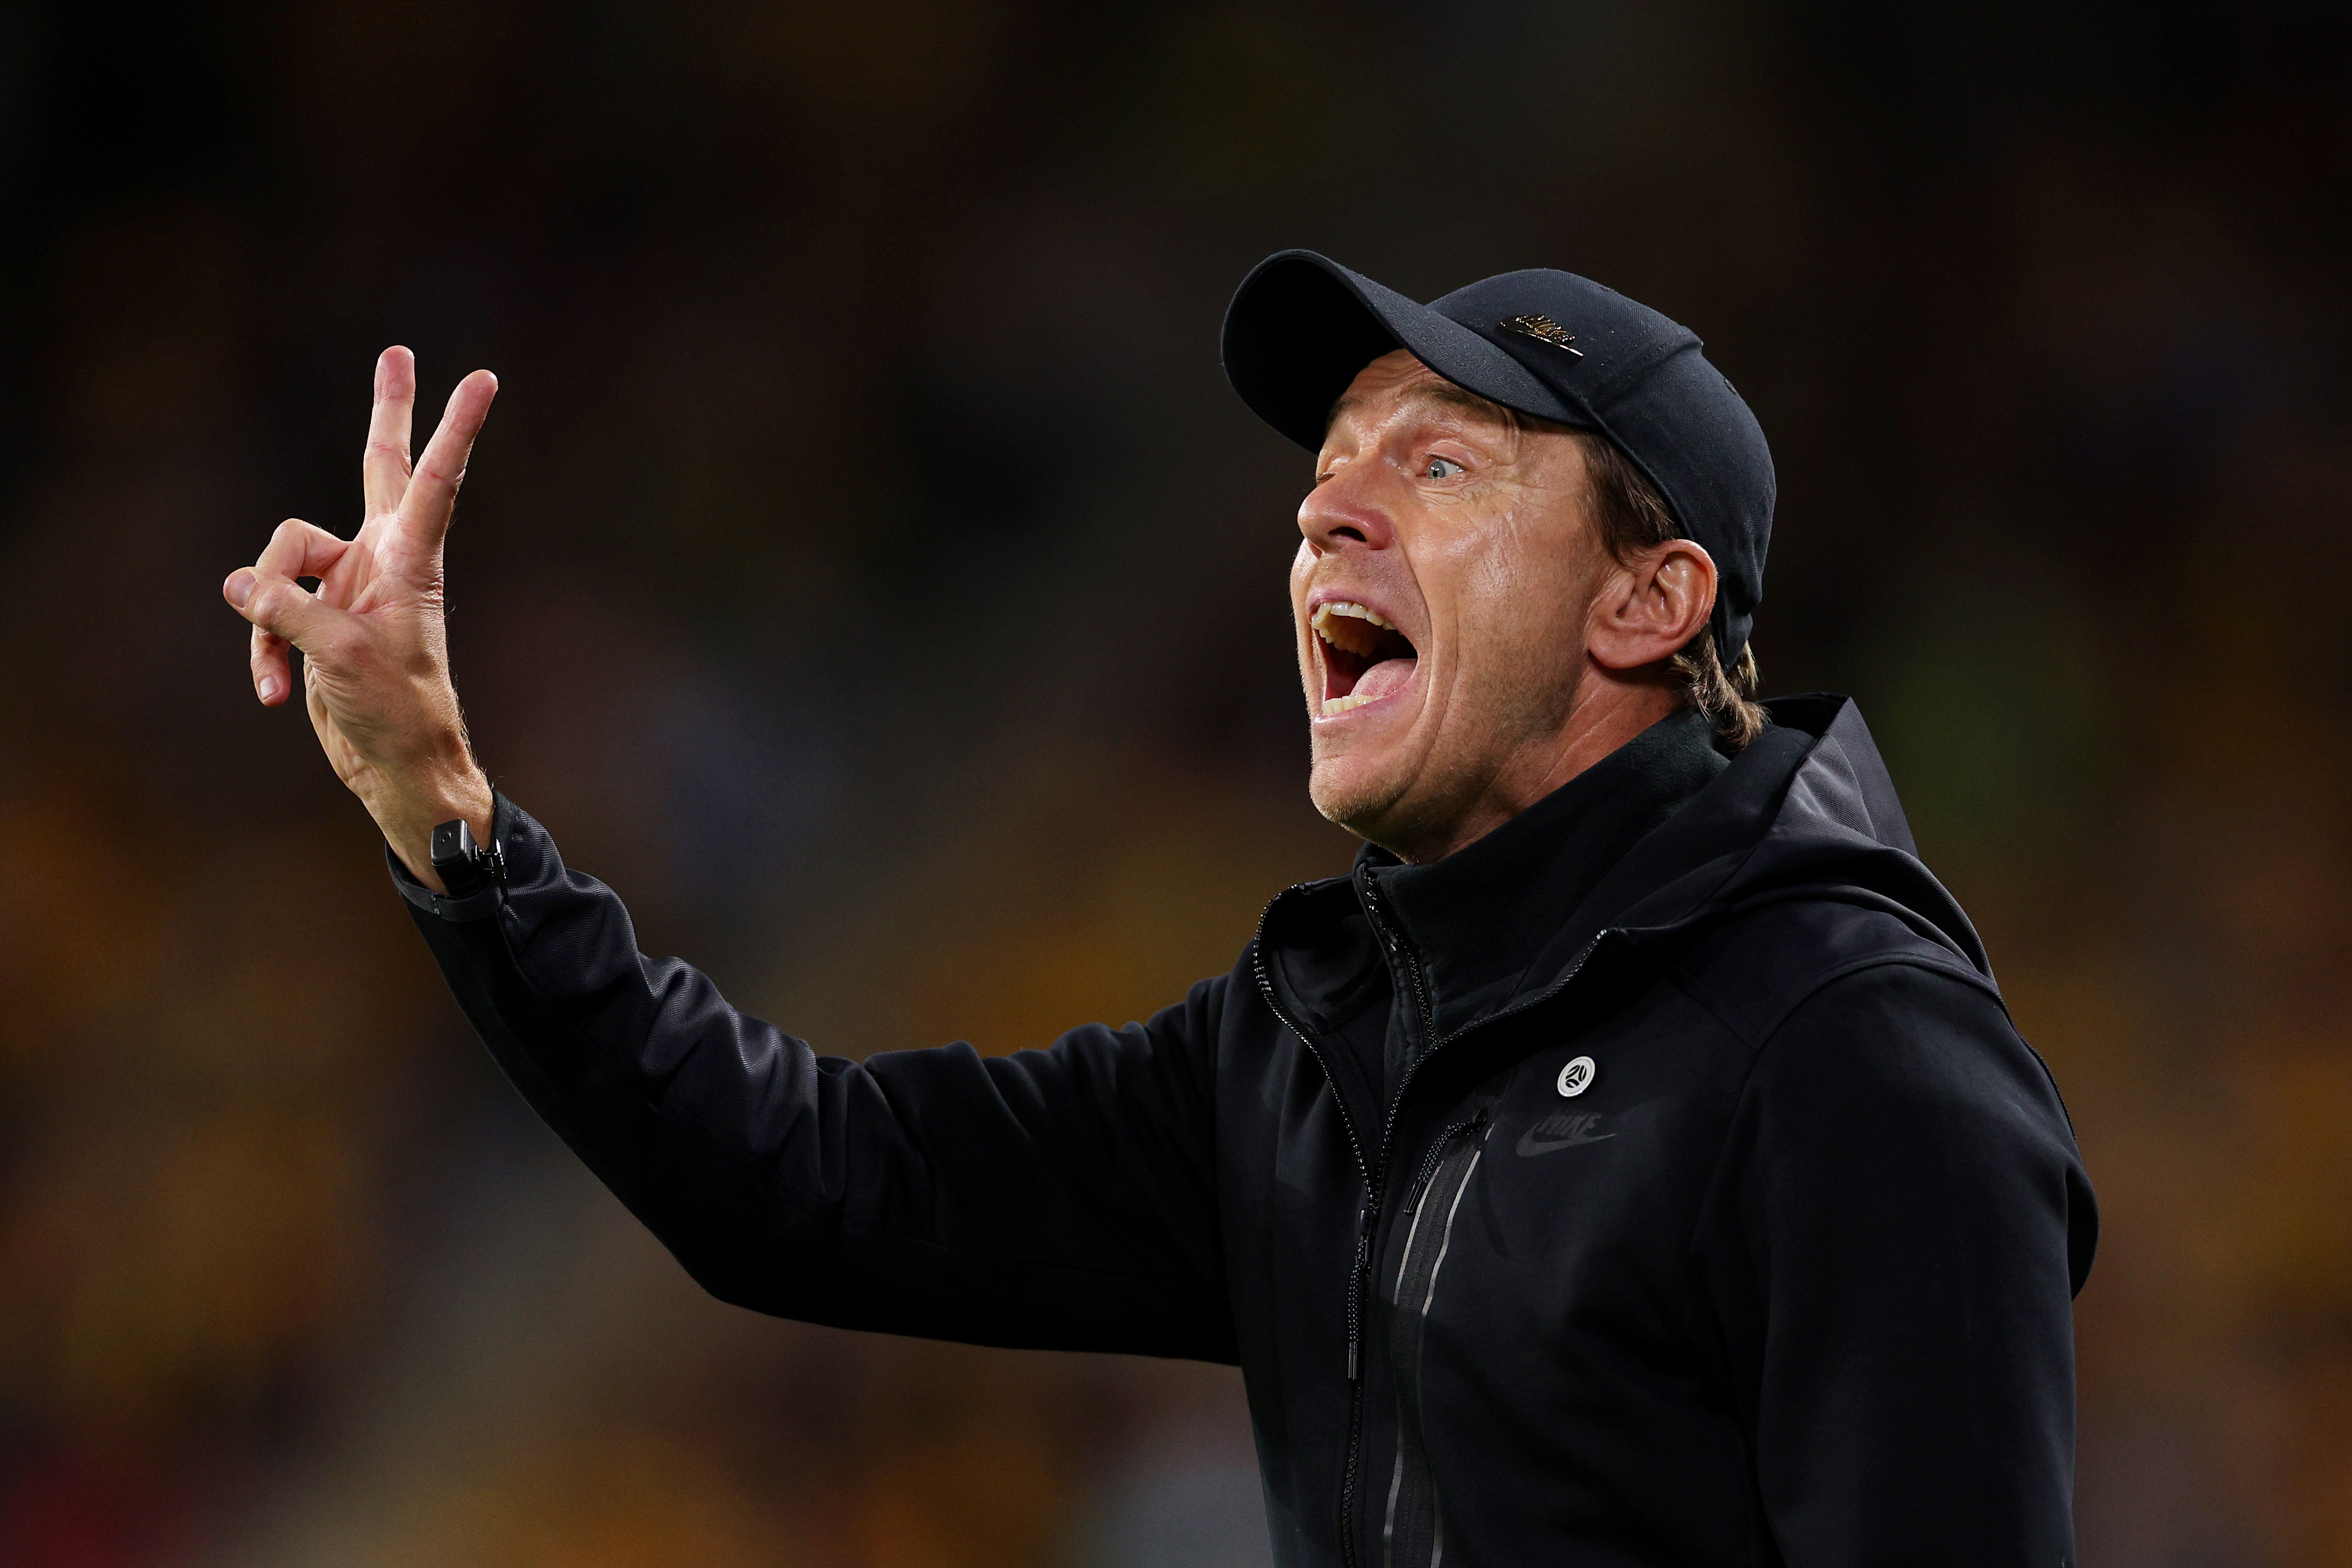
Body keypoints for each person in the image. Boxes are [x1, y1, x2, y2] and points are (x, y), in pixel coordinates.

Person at [222, 251, 2096, 1566]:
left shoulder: (1854, 1055)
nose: (1325, 516)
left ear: (1645, 602)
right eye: (1323, 472)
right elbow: (808, 1182)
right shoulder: (1318, 1042)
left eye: (1435, 463)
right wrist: (444, 806)